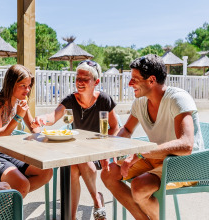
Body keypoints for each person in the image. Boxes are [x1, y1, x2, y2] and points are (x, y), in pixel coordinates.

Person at [100, 54, 204, 220]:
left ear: (151, 80)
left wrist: (140, 153)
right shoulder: (140, 102)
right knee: (108, 173)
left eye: (134, 79)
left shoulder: (177, 98)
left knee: (139, 187)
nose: (129, 84)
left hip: (186, 163)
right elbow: (126, 129)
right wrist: (110, 150)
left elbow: (186, 145)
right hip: (157, 157)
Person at [31, 60, 119, 220]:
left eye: (85, 79)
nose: (80, 82)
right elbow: (54, 116)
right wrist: (43, 119)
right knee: (74, 165)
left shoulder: (104, 100)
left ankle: (94, 202)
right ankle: (89, 205)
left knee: (77, 161)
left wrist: (107, 150)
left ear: (96, 82)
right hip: (80, 151)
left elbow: (114, 127)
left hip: (99, 151)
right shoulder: (71, 100)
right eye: (78, 78)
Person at [0, 64, 53, 198]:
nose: (27, 90)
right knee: (22, 184)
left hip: (9, 152)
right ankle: (7, 204)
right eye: (23, 85)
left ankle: (6, 202)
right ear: (11, 84)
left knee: (46, 172)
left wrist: (43, 130)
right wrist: (18, 116)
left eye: (29, 85)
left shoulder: (21, 101)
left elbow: (33, 127)